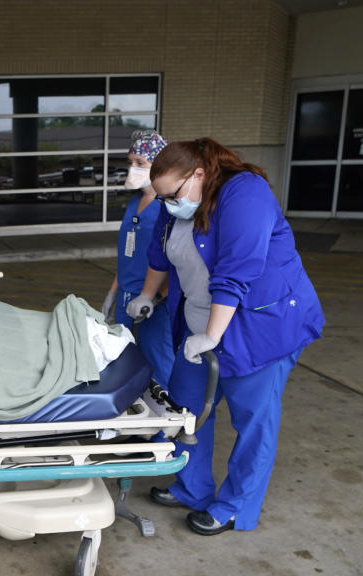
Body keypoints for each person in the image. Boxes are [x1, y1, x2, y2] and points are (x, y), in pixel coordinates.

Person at [126, 137, 324, 535]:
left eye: (173, 194)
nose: (168, 205)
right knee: (186, 410)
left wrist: (213, 334)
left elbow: (238, 269)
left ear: (198, 174)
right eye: (162, 197)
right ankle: (192, 488)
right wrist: (148, 296)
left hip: (258, 330)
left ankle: (235, 505)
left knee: (253, 420)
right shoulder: (176, 201)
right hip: (199, 323)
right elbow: (158, 254)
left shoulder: (245, 193)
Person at [101, 130, 174, 387]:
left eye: (140, 163)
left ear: (159, 166)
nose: (133, 168)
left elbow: (173, 261)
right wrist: (112, 295)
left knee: (156, 366)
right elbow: (127, 254)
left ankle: (162, 427)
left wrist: (154, 297)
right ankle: (132, 419)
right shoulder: (134, 203)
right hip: (126, 296)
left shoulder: (169, 207)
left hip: (153, 302)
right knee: (122, 363)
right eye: (130, 162)